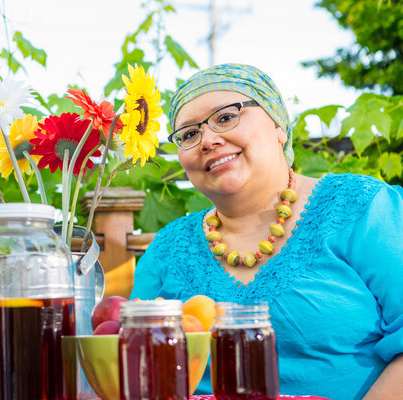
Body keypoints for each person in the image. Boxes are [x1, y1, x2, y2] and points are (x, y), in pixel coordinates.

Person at [130, 63, 403, 400]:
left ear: (278, 126)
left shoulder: (360, 208)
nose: (208, 140)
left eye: (226, 117)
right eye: (188, 134)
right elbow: (138, 369)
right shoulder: (167, 250)